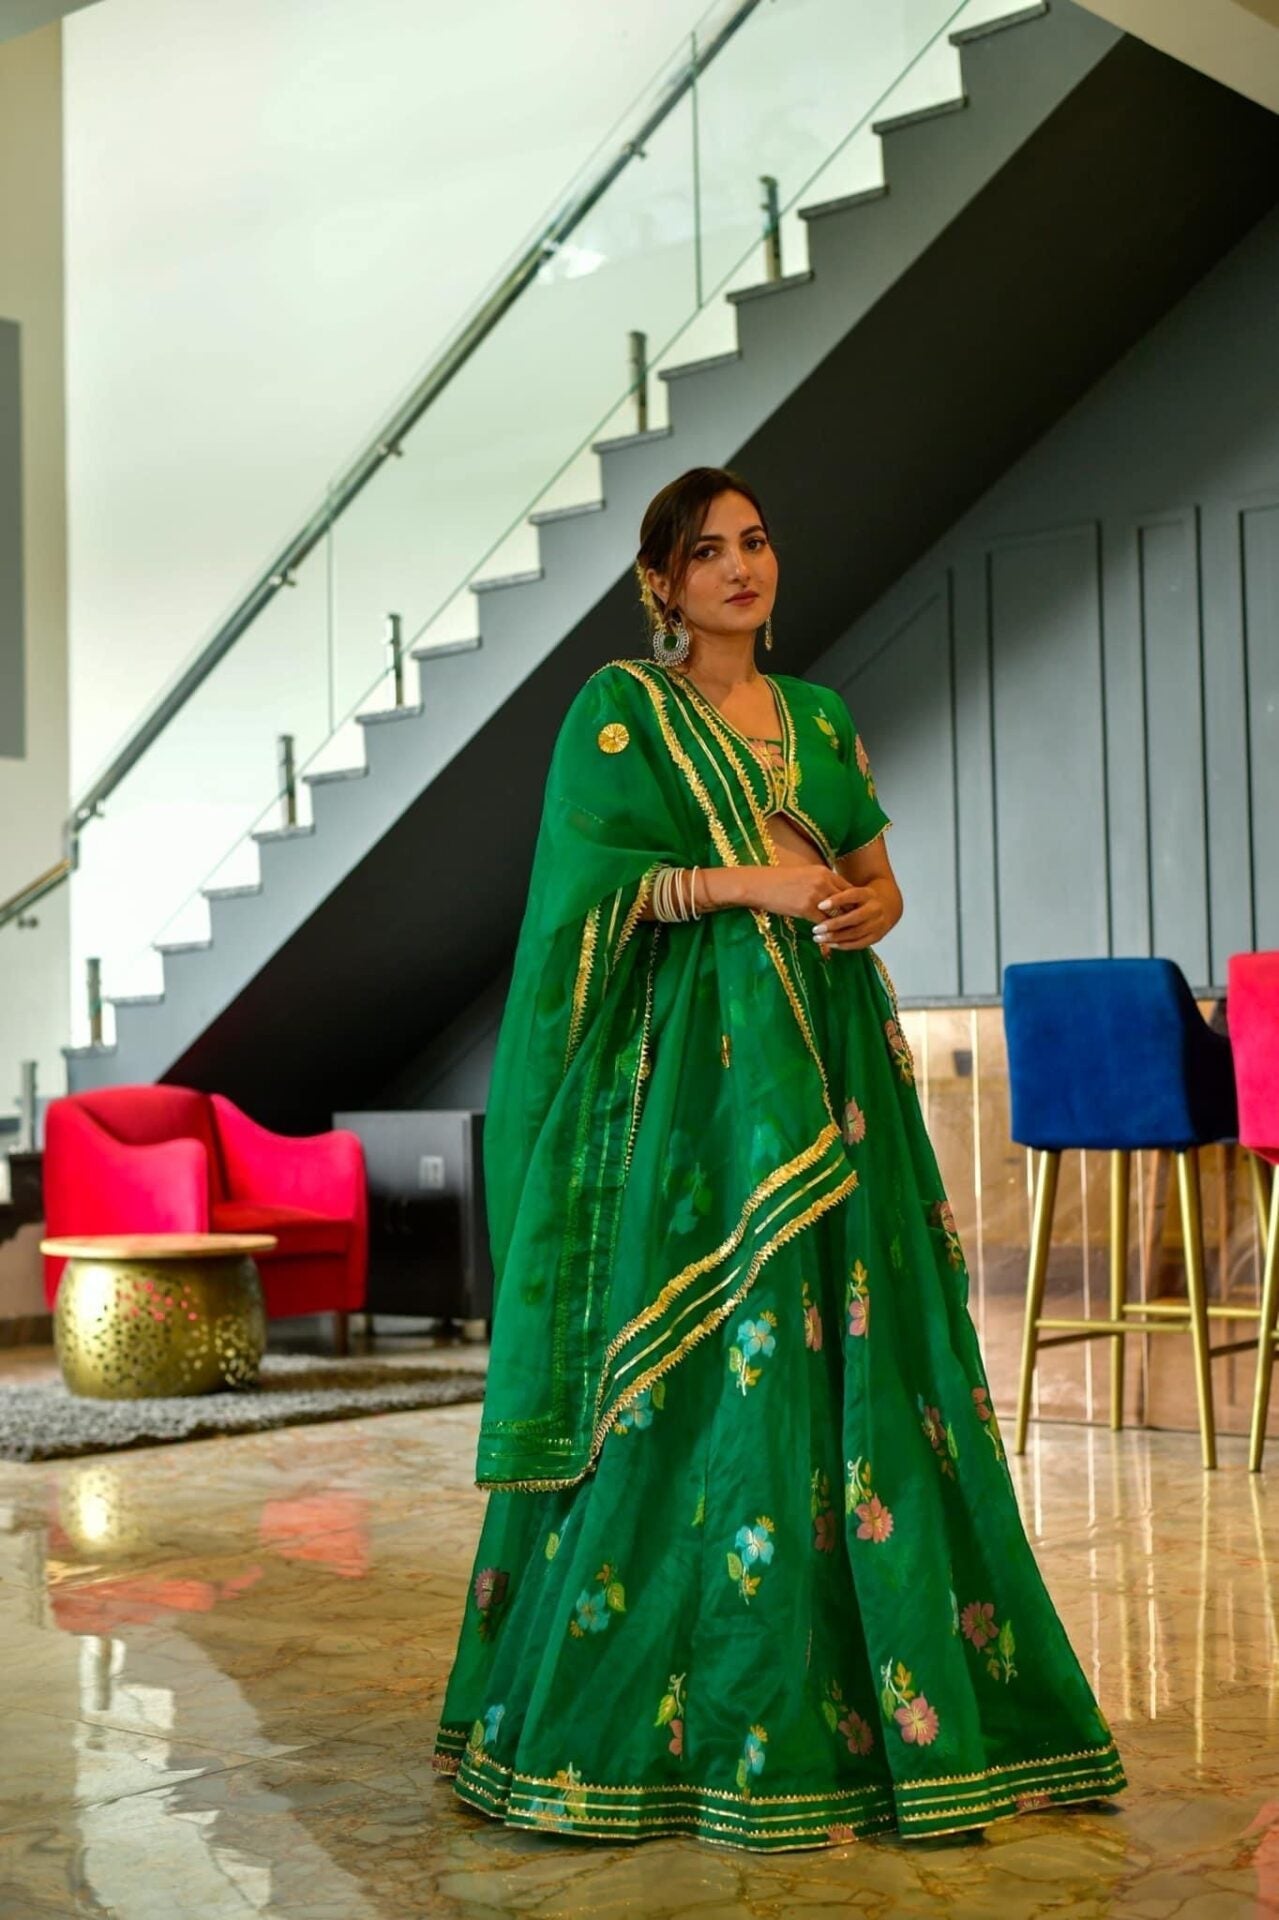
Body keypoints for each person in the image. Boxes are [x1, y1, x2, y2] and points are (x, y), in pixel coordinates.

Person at [430, 466, 1125, 1850]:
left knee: (856, 1349)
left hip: (833, 1059)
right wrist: (749, 884)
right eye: (708, 551)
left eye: (754, 543)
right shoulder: (623, 712)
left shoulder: (818, 715)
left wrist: (872, 909)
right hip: (698, 1076)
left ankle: (884, 1718)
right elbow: (586, 894)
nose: (741, 567)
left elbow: (873, 871)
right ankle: (678, 1728)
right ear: (663, 582)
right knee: (706, 1350)